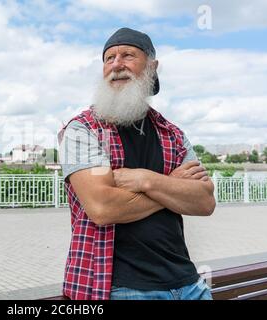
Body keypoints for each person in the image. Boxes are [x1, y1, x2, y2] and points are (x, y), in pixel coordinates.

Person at [58, 27, 216, 300]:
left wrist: (146, 179)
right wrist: (173, 186)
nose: (117, 64)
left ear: (152, 67)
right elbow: (103, 208)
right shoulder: (83, 130)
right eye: (109, 58)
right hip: (119, 288)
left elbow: (204, 202)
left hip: (189, 284)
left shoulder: (173, 134)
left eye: (128, 55)